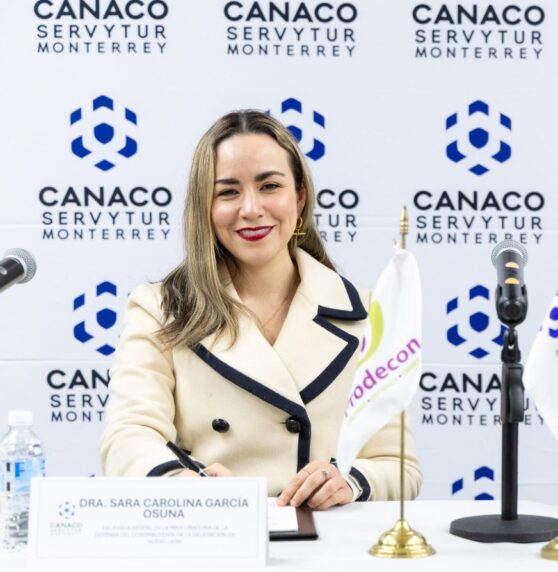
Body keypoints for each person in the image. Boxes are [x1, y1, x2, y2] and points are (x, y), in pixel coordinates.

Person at [100, 111, 420, 509]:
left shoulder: (368, 314)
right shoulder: (160, 308)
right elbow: (128, 436)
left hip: (326, 539)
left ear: (299, 198)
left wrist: (348, 482)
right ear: (204, 206)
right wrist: (188, 486)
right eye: (228, 192)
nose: (251, 208)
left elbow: (398, 466)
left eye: (270, 186)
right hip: (212, 530)